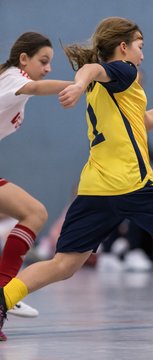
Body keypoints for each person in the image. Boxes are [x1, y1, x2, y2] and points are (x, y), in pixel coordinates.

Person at [0, 17, 153, 341]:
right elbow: (92, 70)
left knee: (63, 264)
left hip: (95, 189)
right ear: (124, 47)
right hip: (132, 183)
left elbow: (142, 121)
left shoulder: (115, 88)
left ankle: (3, 300)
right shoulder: (122, 71)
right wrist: (80, 82)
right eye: (140, 45)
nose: (142, 53)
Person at [0, 31, 73, 336]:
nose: (48, 68)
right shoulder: (14, 78)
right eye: (44, 61)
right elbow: (39, 86)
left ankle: (4, 292)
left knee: (35, 213)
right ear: (24, 59)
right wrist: (80, 83)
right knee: (35, 213)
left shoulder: (13, 82)